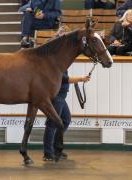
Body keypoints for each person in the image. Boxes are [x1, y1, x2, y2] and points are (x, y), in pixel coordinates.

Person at [42, 27, 91, 161]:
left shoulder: (61, 56)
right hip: (56, 94)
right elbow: (62, 78)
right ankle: (48, 152)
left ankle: (55, 147)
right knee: (53, 123)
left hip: (61, 94)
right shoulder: (54, 55)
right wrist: (80, 79)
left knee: (65, 120)